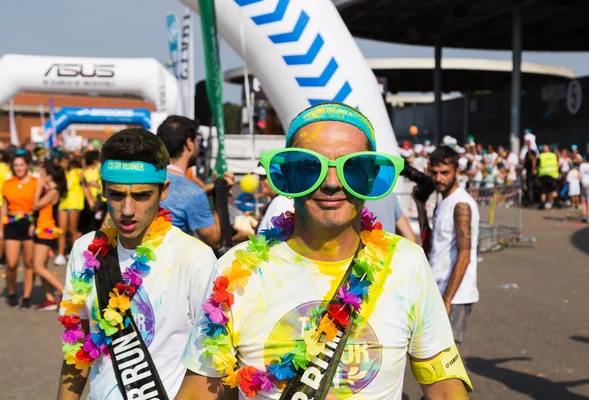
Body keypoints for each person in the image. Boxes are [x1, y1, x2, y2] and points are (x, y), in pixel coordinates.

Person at [177, 103, 472, 399]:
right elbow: (201, 393)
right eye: (309, 168)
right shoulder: (236, 270)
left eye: (352, 168)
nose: (331, 183)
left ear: (370, 178)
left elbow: (446, 389)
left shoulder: (406, 264)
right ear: (288, 176)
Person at [57, 128, 216, 400]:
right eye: (116, 195)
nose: (127, 210)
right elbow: (77, 350)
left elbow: (210, 366)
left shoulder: (195, 258)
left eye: (142, 195)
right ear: (103, 190)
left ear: (163, 190)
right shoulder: (86, 250)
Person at [428, 146, 480, 349]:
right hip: (439, 290)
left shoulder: (461, 205)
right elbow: (433, 247)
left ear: (457, 172)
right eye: (434, 173)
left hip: (455, 296)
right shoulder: (445, 202)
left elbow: (464, 255)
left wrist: (447, 300)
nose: (438, 178)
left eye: (444, 173)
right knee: (433, 363)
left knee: (448, 365)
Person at [157, 115, 233, 249]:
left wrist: (207, 191)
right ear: (189, 143)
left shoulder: (147, 178)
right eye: (197, 140)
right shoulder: (192, 193)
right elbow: (216, 240)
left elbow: (175, 197)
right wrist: (221, 194)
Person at [1, 150, 37, 308]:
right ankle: (11, 292)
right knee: (11, 262)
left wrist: (34, 223)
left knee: (29, 262)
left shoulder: (36, 182)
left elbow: (40, 207)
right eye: (16, 165)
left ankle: (27, 296)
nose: (19, 168)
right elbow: (4, 207)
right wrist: (1, 229)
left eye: (21, 164)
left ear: (27, 165)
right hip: (12, 224)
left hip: (29, 224)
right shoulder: (8, 184)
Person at [31, 161, 68, 311]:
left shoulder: (53, 191)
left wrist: (39, 186)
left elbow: (35, 206)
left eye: (42, 173)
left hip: (46, 232)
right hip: (41, 229)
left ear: (49, 176)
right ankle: (49, 298)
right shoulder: (51, 190)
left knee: (38, 267)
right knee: (41, 266)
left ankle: (65, 294)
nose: (40, 176)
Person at [55, 155, 85, 265]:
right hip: (63, 204)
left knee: (73, 230)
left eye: (65, 162)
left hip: (74, 204)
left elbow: (84, 186)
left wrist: (90, 200)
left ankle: (74, 254)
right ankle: (60, 254)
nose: (63, 165)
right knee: (62, 230)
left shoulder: (78, 172)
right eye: (61, 162)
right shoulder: (60, 173)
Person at [538, 144, 560, 209]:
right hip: (552, 174)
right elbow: (558, 160)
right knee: (552, 189)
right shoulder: (553, 155)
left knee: (543, 190)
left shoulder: (541, 156)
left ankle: (542, 204)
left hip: (543, 175)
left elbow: (537, 164)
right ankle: (555, 203)